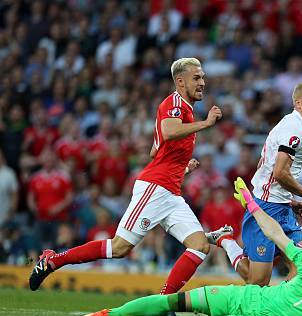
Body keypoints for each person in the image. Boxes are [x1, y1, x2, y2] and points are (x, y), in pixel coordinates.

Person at [79, 178, 302, 316]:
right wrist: (251, 203)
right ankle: (107, 312)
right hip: (243, 296)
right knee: (172, 300)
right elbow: (274, 231)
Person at [29, 58, 223, 295]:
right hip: (155, 188)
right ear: (180, 81)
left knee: (200, 245)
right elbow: (169, 131)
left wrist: (183, 168)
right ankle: (52, 260)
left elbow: (155, 150)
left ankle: (163, 300)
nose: (202, 82)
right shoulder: (174, 103)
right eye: (197, 78)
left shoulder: (186, 111)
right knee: (119, 247)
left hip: (170, 192)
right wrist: (206, 123)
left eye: (203, 77)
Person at [209, 81, 302, 286]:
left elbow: (276, 175)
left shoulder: (293, 125)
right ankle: (226, 241)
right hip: (266, 209)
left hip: (281, 207)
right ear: (298, 103)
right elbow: (279, 173)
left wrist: (290, 201)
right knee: (257, 282)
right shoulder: (294, 130)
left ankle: (283, 313)